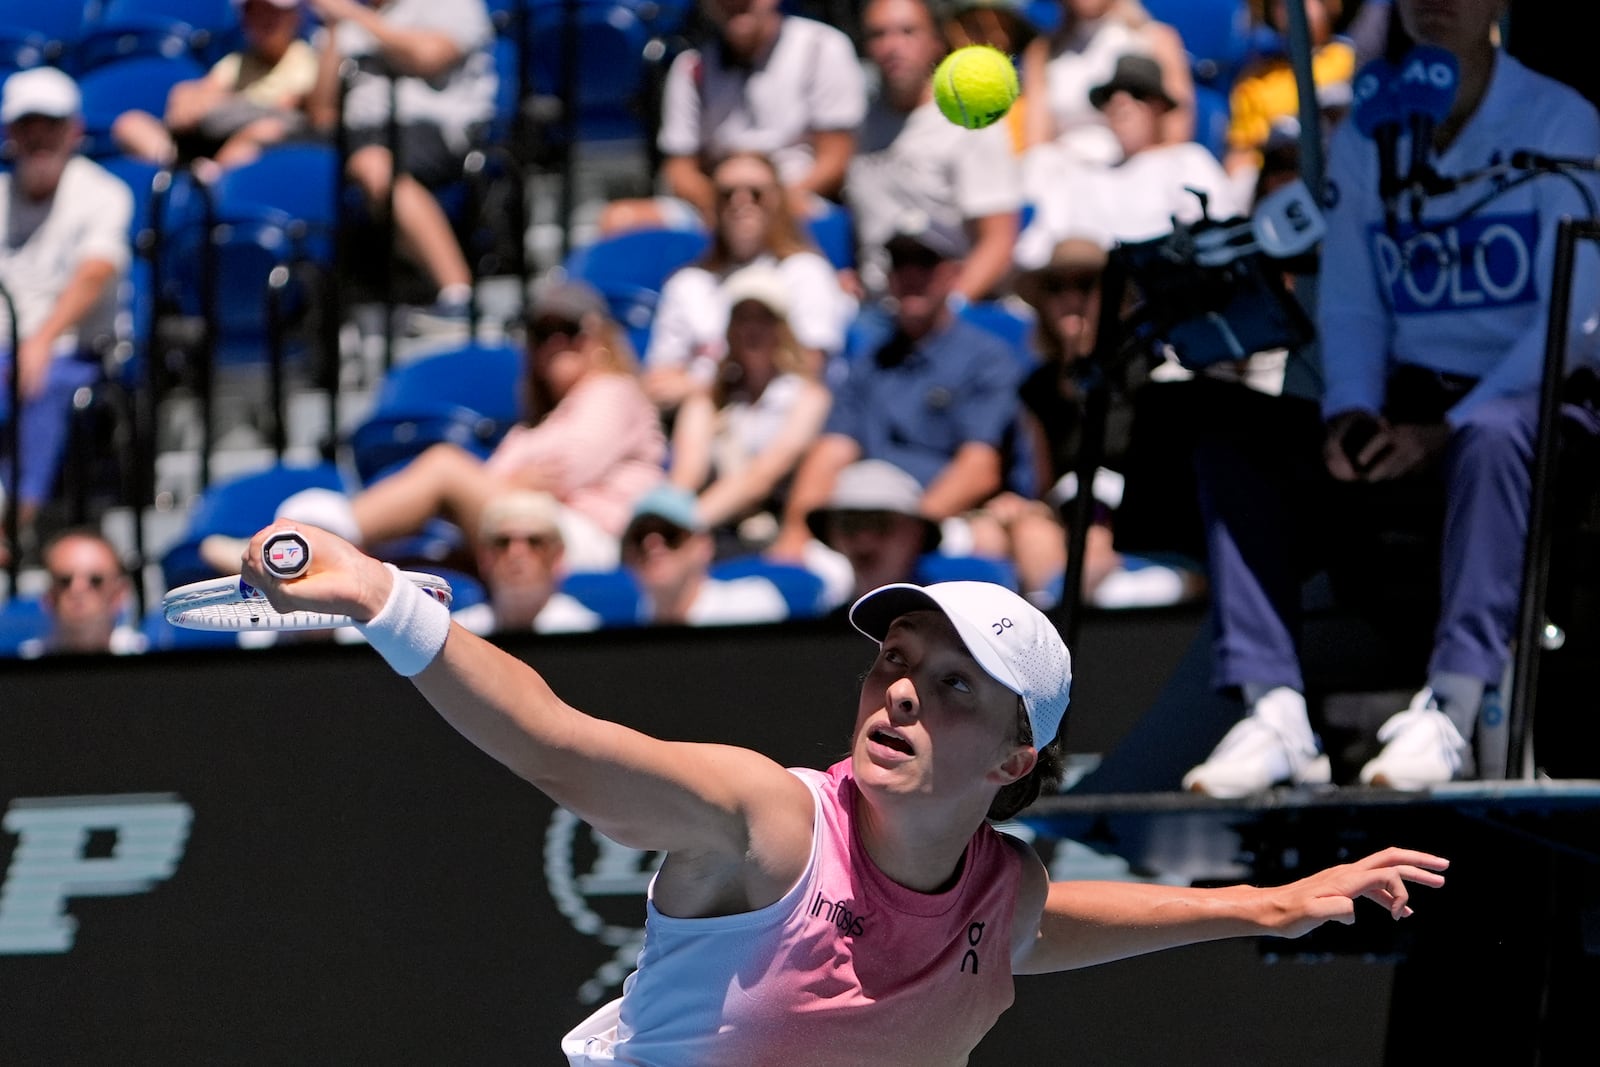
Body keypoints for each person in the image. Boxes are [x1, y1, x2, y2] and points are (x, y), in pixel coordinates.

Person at [232, 518, 1449, 1060]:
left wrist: (1265, 904)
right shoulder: (764, 825)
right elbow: (562, 743)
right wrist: (383, 602)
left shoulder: (1000, 888)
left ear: (1016, 758)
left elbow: (1041, 924)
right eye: (895, 663)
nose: (904, 692)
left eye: (956, 686)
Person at [1183, 0, 1600, 795]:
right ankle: (1274, 710)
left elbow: (1575, 319)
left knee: (1493, 438)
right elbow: (1351, 294)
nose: (1432, 2)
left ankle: (1455, 701)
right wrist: (1350, 409)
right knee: (1234, 432)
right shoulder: (1374, 128)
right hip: (1406, 399)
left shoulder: (1560, 120)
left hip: (1535, 395)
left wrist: (1444, 428)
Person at [204, 279, 664, 575]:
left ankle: (299, 546)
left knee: (445, 467)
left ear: (598, 337)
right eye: (542, 334)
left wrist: (506, 480)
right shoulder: (541, 421)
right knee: (422, 561)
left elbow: (565, 467)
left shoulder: (613, 390)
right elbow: (519, 475)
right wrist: (513, 480)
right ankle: (315, 559)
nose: (554, 344)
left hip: (598, 545)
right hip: (537, 530)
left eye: (569, 329)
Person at [767, 215, 1032, 589]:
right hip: (863, 521)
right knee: (801, 575)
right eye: (900, 264)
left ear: (953, 274)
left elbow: (979, 468)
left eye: (924, 263)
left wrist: (907, 531)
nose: (910, 275)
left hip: (942, 518)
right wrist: (795, 532)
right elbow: (830, 453)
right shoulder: (869, 363)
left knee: (985, 545)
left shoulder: (986, 358)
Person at [0, 68, 133, 551]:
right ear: (9, 133)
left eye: (49, 125)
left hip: (76, 350)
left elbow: (95, 273)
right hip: (7, 351)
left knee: (46, 381)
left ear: (73, 130)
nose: (38, 138)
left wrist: (38, 341)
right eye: (26, 126)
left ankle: (12, 526)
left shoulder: (102, 192)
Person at [596, 0, 867, 236]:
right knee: (619, 220)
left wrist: (773, 203)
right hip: (717, 208)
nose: (735, 3)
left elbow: (836, 160)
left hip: (799, 203)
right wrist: (724, 204)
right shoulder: (691, 68)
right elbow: (679, 168)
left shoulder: (822, 47)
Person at [305, 0, 496, 326]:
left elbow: (428, 57)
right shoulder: (344, 22)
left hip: (434, 129)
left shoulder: (451, 5)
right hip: (356, 135)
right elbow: (321, 114)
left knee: (374, 164)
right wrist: (335, 31)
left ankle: (458, 293)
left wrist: (356, 18)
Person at [642, 152, 854, 410]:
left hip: (783, 420)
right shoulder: (687, 283)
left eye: (755, 193)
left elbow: (808, 368)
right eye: (727, 194)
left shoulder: (807, 272)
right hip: (704, 426)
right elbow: (660, 383)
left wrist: (699, 385)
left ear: (778, 200)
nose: (740, 202)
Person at [846, 0, 1023, 302]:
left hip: (945, 310)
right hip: (874, 308)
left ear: (936, 42)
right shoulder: (861, 122)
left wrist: (948, 311)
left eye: (907, 31)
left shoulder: (970, 122)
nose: (892, 46)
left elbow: (998, 242)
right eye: (878, 35)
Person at [1015, 53, 1241, 268]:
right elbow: (1037, 248)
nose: (1121, 101)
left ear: (1160, 107)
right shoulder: (1078, 174)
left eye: (1136, 93)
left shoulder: (1187, 161)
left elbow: (1221, 234)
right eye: (1111, 95)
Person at [666, 263, 833, 552]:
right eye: (743, 319)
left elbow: (762, 477)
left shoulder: (808, 397)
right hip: (717, 534)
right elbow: (685, 476)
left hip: (778, 535)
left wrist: (680, 526)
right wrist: (662, 519)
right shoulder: (709, 400)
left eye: (763, 319)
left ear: (782, 329)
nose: (752, 329)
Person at [112, 0, 318, 179]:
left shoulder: (303, 59)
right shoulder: (236, 61)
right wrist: (186, 97)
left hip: (250, 147)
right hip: (202, 140)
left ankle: (209, 181)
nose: (263, 20)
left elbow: (283, 107)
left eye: (272, 12)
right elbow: (198, 96)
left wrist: (216, 101)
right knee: (130, 124)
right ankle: (182, 173)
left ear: (293, 17)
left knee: (261, 134)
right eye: (255, 11)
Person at [1020, 0, 1193, 168]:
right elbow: (1036, 143)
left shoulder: (1156, 39)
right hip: (1065, 177)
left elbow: (1175, 134)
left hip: (1137, 173)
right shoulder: (1041, 52)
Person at [620, 484, 790, 626]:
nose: (653, 547)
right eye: (639, 537)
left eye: (670, 534)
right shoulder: (627, 623)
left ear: (703, 545)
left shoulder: (751, 605)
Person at [1223, 0, 1355, 182]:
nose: (1288, 9)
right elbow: (1241, 152)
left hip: (1341, 166)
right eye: (1279, 3)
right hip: (1278, 181)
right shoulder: (1255, 81)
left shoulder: (1351, 59)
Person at [451, 489, 602, 636]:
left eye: (534, 541)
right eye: (503, 542)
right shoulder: (457, 637)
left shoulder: (586, 632)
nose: (516, 553)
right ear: (485, 557)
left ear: (557, 557)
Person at [807, 458, 945, 604]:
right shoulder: (814, 623)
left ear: (917, 533)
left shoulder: (951, 623)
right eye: (848, 524)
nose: (864, 538)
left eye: (881, 523)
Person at [19, 528, 146, 658]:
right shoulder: (22, 665)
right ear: (49, 596)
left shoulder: (147, 659)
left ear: (119, 594)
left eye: (95, 580)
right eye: (65, 581)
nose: (77, 589)